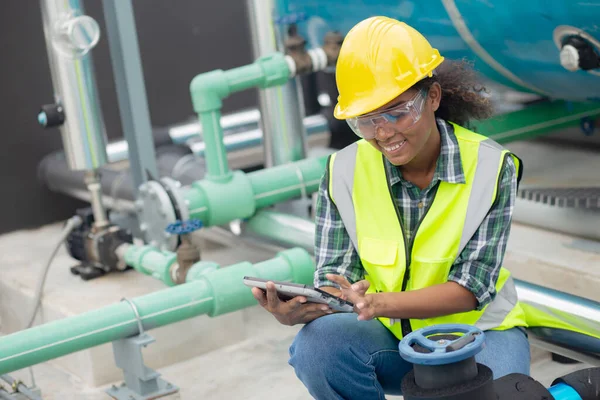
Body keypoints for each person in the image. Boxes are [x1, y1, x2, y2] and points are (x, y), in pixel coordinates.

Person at [251, 16, 530, 399]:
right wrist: (305, 309)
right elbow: (337, 277)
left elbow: (472, 287)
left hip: (480, 335)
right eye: (366, 120)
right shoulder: (342, 171)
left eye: (397, 112)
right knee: (317, 347)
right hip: (393, 336)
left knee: (500, 394)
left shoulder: (492, 166)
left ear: (432, 97)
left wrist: (379, 303)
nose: (383, 133)